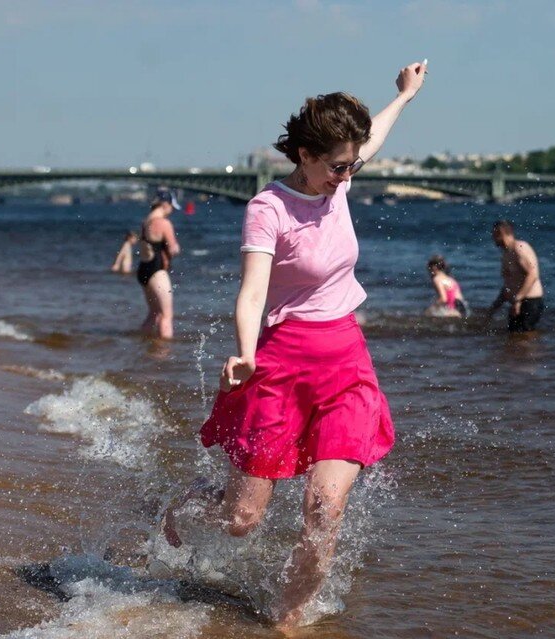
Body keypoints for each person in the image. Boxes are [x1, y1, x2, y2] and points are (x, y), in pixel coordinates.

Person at [164, 62, 427, 630]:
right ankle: (186, 506)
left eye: (351, 164)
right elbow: (253, 290)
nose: (346, 174)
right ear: (305, 155)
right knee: (242, 519)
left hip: (345, 364)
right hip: (280, 366)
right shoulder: (269, 209)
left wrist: (403, 96)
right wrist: (243, 351)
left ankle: (286, 618)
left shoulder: (342, 177)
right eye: (337, 165)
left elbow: (372, 137)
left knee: (324, 510)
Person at [137, 189, 181, 339]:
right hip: (157, 271)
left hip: (143, 270)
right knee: (166, 315)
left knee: (154, 313)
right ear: (165, 204)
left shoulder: (145, 222)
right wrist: (176, 248)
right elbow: (173, 248)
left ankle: (143, 341)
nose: (172, 210)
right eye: (171, 206)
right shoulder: (163, 223)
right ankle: (165, 352)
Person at [486, 220, 544, 332]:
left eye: (494, 235)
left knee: (525, 338)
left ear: (501, 233)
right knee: (513, 339)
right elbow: (509, 283)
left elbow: (533, 275)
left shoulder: (519, 248)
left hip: (530, 302)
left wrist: (518, 299)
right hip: (518, 302)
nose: (493, 239)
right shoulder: (506, 254)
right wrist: (495, 307)